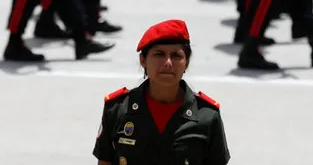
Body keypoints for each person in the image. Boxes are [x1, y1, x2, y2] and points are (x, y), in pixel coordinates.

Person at [93, 19, 230, 165]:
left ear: (187, 63)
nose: (168, 63)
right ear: (143, 60)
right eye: (159, 54)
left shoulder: (207, 116)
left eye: (176, 56)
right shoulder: (117, 109)